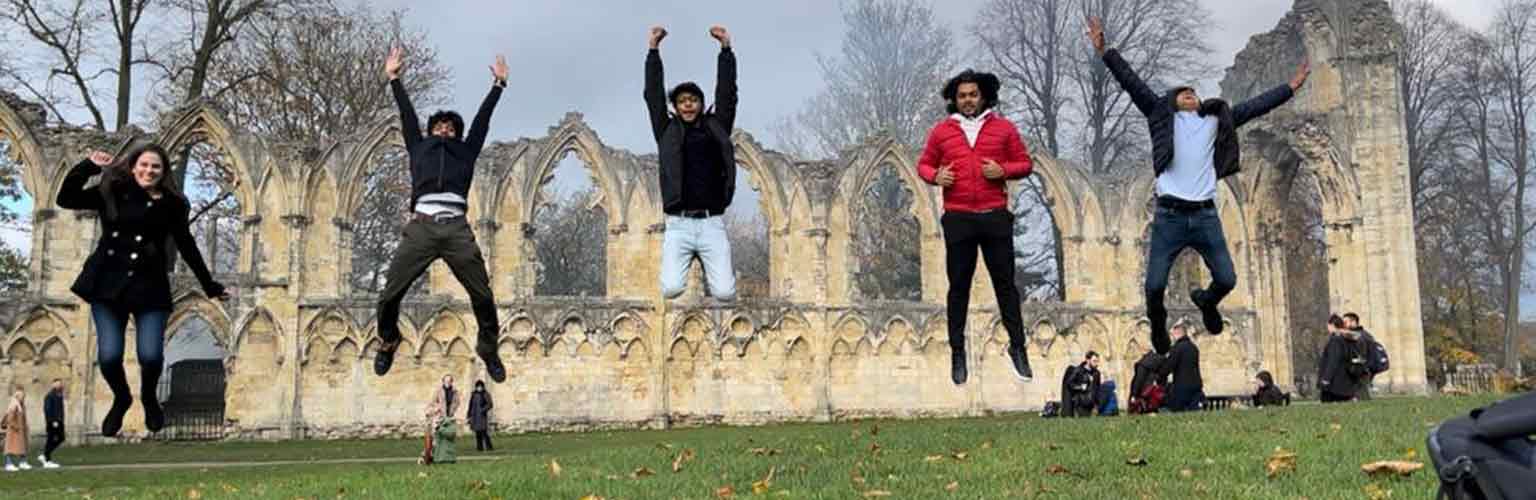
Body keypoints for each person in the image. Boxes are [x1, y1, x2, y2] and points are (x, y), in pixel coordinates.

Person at [1088, 17, 1311, 354]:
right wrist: (1106, 51)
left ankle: (1207, 302)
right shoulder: (1160, 117)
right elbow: (1131, 83)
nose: (1190, 95)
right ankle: (1158, 324)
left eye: (1193, 92)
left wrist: (1289, 89)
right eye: (1184, 93)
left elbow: (1253, 108)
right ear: (1173, 100)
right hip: (1170, 216)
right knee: (1153, 286)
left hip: (1205, 217)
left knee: (1227, 279)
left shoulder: (1215, 120)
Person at [57, 145, 230, 436]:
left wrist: (209, 285)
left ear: (163, 173)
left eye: (156, 167)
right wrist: (88, 166)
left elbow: (186, 245)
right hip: (107, 284)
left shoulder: (173, 204)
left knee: (150, 356)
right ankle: (122, 398)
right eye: (144, 165)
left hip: (149, 286)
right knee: (110, 356)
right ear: (133, 166)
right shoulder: (110, 190)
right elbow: (66, 198)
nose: (149, 171)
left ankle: (149, 397)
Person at [374, 46, 509, 384]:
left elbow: (481, 123)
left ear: (457, 133)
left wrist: (498, 87)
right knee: (390, 295)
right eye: (440, 126)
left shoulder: (466, 151)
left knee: (482, 296)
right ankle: (389, 340)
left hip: (456, 230)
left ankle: (488, 348)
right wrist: (394, 79)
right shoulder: (419, 147)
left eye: (450, 127)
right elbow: (407, 116)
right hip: (421, 227)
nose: (445, 130)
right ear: (431, 131)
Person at [916, 69, 1036, 385]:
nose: (968, 100)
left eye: (973, 94)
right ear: (954, 100)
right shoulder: (942, 132)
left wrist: (1003, 170)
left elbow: (1025, 163)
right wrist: (934, 176)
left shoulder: (1004, 128)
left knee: (1005, 286)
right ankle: (958, 353)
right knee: (958, 288)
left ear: (983, 96)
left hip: (994, 214)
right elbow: (924, 164)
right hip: (958, 217)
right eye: (962, 96)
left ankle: (1018, 348)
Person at [646, 25, 740, 301]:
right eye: (682, 101)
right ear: (675, 106)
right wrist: (653, 51)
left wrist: (726, 51)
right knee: (671, 288)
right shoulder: (666, 131)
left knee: (724, 292)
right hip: (679, 224)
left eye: (693, 100)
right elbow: (652, 97)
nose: (688, 105)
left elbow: (727, 95)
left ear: (701, 104)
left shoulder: (717, 127)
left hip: (712, 222)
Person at [1318, 314, 1367, 403]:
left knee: (1327, 407)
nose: (1328, 328)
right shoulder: (1347, 339)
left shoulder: (1336, 340)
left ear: (1332, 325)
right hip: (1346, 382)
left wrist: (1326, 379)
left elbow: (1333, 361)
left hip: (1334, 384)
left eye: (1328, 326)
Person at [1159, 323, 1204, 412]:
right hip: (1196, 385)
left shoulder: (1177, 348)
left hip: (1182, 386)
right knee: (1194, 412)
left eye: (1172, 335)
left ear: (1177, 334)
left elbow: (1169, 366)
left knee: (1177, 411)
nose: (1171, 338)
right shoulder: (1193, 347)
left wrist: (1160, 375)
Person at [1060, 351, 1102, 417]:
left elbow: (1098, 389)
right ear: (1087, 360)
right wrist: (1080, 387)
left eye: (1097, 361)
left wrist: (1097, 405)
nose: (1096, 364)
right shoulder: (1078, 370)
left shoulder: (1097, 373)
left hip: (1091, 404)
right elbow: (1069, 384)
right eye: (1094, 361)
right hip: (1080, 402)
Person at [1128, 350, 1167, 414]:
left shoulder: (1144, 364)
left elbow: (1138, 380)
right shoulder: (1162, 362)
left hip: (1144, 396)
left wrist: (1133, 395)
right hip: (1155, 398)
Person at [2, 389, 28, 471]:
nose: (23, 398)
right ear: (17, 396)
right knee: (10, 448)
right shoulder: (13, 405)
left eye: (23, 396)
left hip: (20, 430)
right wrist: (15, 427)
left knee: (22, 447)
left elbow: (23, 418)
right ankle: (8, 464)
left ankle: (22, 462)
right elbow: (9, 419)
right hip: (13, 431)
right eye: (21, 396)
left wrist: (25, 426)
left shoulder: (21, 405)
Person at [41, 379, 65, 468]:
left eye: (60, 384)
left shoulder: (59, 395)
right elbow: (47, 409)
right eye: (57, 384)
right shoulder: (49, 395)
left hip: (59, 421)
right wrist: (52, 421)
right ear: (53, 385)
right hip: (53, 422)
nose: (59, 385)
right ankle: (47, 459)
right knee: (50, 439)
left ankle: (45, 455)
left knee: (61, 438)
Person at [467, 380, 494, 452]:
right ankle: (479, 447)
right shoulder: (473, 394)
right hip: (475, 416)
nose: (479, 388)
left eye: (480, 387)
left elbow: (490, 404)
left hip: (482, 416)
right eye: (478, 387)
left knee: (484, 433)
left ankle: (489, 446)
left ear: (482, 387)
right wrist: (469, 414)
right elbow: (470, 404)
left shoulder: (485, 394)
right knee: (477, 433)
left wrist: (483, 410)